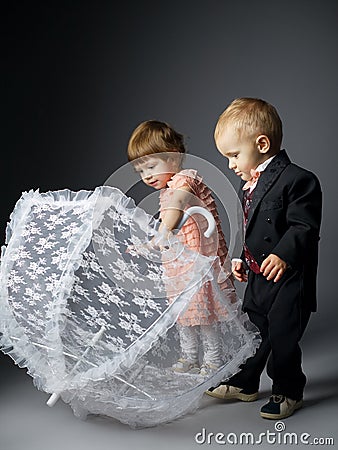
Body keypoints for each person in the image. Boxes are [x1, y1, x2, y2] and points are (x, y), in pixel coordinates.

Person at [206, 97, 322, 419]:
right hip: (259, 276)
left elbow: (304, 226)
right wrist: (243, 258)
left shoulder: (299, 180)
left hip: (288, 279)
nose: (231, 165)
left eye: (233, 155)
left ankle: (288, 389)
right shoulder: (250, 186)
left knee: (283, 336)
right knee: (253, 331)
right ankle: (246, 383)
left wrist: (284, 255)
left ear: (262, 144)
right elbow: (253, 230)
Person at [127, 120, 240, 376]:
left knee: (205, 313)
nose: (147, 176)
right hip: (179, 264)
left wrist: (162, 233)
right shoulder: (166, 190)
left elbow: (176, 209)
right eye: (140, 171)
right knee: (185, 313)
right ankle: (188, 356)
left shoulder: (184, 180)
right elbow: (172, 228)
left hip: (199, 260)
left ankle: (213, 359)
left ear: (174, 158)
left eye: (151, 166)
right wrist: (150, 245)